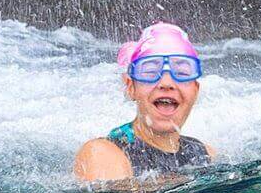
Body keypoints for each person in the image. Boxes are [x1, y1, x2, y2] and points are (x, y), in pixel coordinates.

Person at [75, 22, 216, 183]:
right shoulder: (103, 153)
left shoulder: (204, 153)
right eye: (150, 72)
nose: (166, 83)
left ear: (195, 91)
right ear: (131, 87)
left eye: (182, 73)